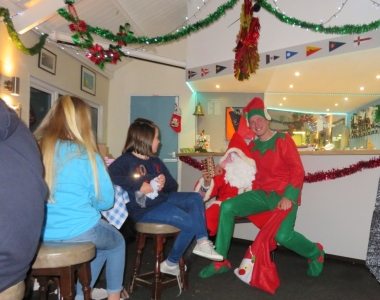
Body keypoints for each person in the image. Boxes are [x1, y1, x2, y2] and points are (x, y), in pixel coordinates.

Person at [199, 97, 324, 278]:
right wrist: (221, 167)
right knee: (227, 207)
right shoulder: (252, 146)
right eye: (252, 122)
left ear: (267, 120)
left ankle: (315, 253)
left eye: (259, 120)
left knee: (283, 236)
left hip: (284, 194)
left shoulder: (283, 139)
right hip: (262, 195)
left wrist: (289, 196)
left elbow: (297, 170)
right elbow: (237, 163)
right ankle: (220, 262)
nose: (256, 124)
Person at [34, 95, 127, 300]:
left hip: (37, 233)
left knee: (101, 246)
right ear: (82, 122)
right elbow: (106, 201)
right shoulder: (87, 155)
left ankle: (75, 294)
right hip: (79, 230)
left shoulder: (35, 147)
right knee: (116, 242)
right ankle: (113, 297)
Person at [108, 118, 223, 277]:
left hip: (162, 199)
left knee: (196, 198)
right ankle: (171, 263)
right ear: (145, 139)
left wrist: (163, 181)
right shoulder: (126, 160)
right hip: (144, 210)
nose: (159, 141)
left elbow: (172, 187)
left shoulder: (155, 161)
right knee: (189, 224)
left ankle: (203, 242)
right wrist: (138, 183)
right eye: (156, 137)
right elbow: (112, 174)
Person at [0, 99, 47, 299]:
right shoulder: (24, 135)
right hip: (18, 262)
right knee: (115, 243)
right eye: (157, 138)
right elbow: (104, 200)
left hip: (44, 235)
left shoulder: (44, 142)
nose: (157, 144)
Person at [194, 131, 271, 236]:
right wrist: (207, 182)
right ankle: (203, 241)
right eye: (233, 155)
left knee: (272, 215)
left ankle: (266, 245)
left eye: (240, 154)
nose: (237, 158)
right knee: (210, 214)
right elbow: (201, 194)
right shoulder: (224, 171)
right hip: (226, 203)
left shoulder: (254, 173)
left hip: (248, 204)